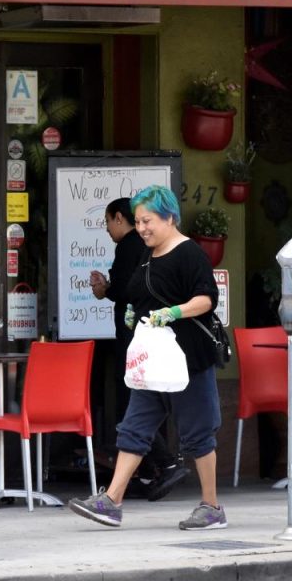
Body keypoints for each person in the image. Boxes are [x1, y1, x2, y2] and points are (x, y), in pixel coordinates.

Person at [68, 185, 227, 531]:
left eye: (148, 220)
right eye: (138, 221)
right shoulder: (146, 253)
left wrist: (173, 312)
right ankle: (111, 502)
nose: (141, 228)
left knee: (198, 434)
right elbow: (139, 294)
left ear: (170, 218)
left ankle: (211, 507)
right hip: (153, 359)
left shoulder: (190, 254)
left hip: (187, 360)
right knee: (135, 427)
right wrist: (133, 313)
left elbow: (206, 299)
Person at [89, 197, 188, 501]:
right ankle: (147, 472)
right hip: (152, 332)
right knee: (144, 401)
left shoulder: (129, 246)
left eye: (108, 222)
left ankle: (164, 462)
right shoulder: (151, 247)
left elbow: (125, 289)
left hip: (135, 339)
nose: (107, 229)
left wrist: (104, 289)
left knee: (133, 403)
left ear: (120, 218)